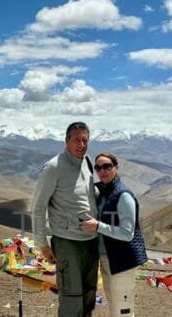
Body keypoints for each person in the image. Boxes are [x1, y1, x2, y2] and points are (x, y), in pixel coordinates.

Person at [31, 121, 99, 316]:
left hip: (91, 242)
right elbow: (38, 207)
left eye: (85, 140)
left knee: (88, 297)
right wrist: (42, 244)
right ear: (66, 141)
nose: (82, 145)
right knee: (71, 300)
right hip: (68, 243)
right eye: (77, 140)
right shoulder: (53, 167)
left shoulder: (87, 162)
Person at [79, 152, 147, 317]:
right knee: (113, 304)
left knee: (122, 308)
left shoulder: (123, 195)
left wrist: (98, 226)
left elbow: (127, 233)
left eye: (107, 166)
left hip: (122, 260)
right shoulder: (104, 191)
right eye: (98, 167)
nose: (102, 171)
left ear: (116, 168)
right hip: (107, 258)